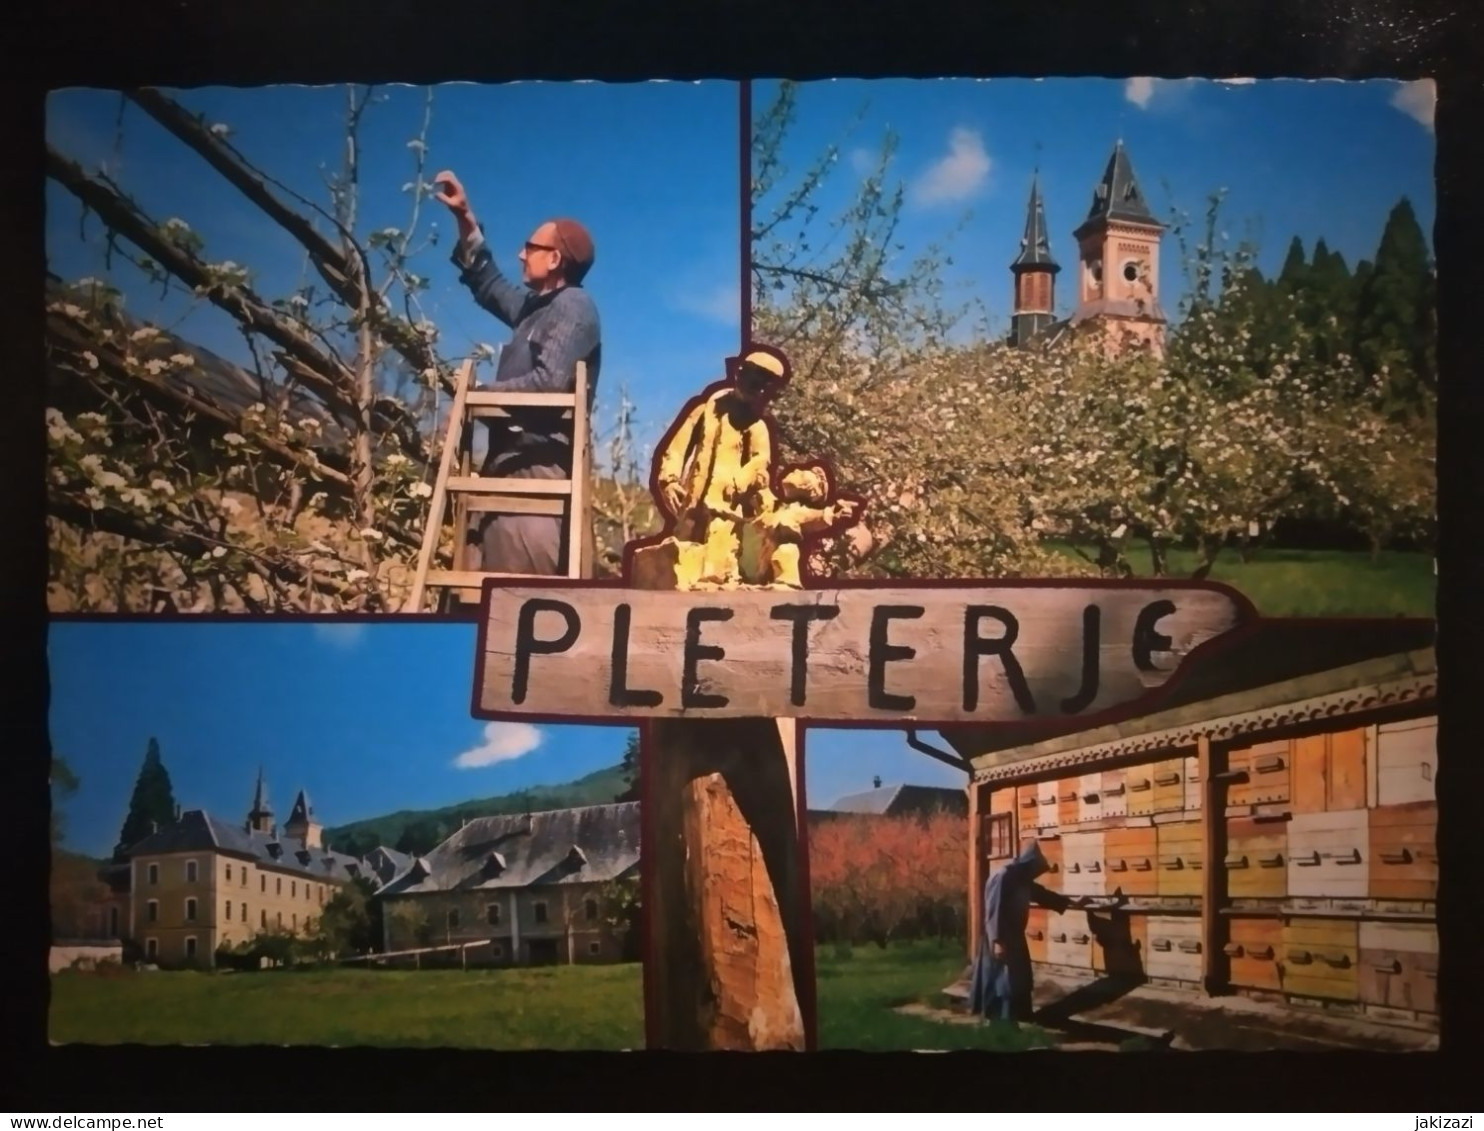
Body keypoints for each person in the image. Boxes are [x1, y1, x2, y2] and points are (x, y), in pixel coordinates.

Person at [433, 170, 601, 576]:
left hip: (539, 477)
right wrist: (466, 220)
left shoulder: (574, 306)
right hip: (506, 467)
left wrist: (477, 397)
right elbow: (489, 284)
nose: (522, 255)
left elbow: (548, 385)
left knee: (518, 605)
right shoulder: (535, 309)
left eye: (531, 247)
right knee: (475, 596)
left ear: (555, 258)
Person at [651, 347, 860, 589]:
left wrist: (741, 482)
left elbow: (761, 463)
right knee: (679, 562)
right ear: (740, 374)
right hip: (693, 505)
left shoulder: (757, 428)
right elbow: (678, 447)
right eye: (754, 379)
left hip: (727, 510)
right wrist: (669, 479)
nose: (757, 388)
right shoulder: (707, 410)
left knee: (715, 567)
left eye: (764, 385)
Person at [968, 839, 1090, 1024]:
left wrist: (1073, 903)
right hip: (1000, 938)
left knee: (1020, 979)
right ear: (1028, 864)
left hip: (1015, 937)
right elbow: (994, 910)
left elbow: (1044, 895)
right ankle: (1001, 1021)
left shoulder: (1021, 879)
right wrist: (998, 941)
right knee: (1003, 981)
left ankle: (1019, 1017)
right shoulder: (1003, 876)